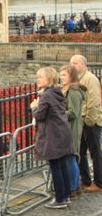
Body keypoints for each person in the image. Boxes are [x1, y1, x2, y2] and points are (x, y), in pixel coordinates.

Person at [30, 67, 73, 208]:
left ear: (49, 79)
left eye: (40, 77)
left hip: (53, 135)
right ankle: (66, 196)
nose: (38, 80)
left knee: (56, 166)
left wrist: (34, 107)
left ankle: (60, 199)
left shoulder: (46, 95)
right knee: (63, 165)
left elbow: (40, 116)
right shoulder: (57, 92)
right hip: (62, 132)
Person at [69, 55, 102, 192]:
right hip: (81, 121)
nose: (72, 65)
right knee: (80, 152)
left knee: (95, 152)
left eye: (75, 63)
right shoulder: (78, 79)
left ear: (83, 64)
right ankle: (86, 180)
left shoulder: (90, 79)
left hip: (90, 121)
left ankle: (99, 183)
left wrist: (89, 120)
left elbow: (93, 101)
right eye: (71, 63)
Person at [59, 64, 86, 198]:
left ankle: (73, 187)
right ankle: (75, 186)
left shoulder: (73, 91)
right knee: (71, 157)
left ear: (71, 76)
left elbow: (73, 113)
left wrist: (57, 113)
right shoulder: (68, 90)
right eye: (61, 75)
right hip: (68, 128)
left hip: (72, 129)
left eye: (64, 75)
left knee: (71, 157)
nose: (61, 77)